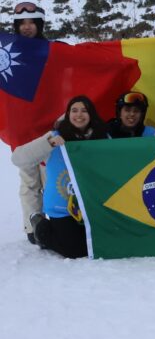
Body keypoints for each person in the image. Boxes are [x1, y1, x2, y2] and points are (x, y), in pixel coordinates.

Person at [15, 96, 107, 257]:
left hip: (92, 206)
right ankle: (41, 228)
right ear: (68, 114)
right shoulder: (55, 137)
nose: (79, 115)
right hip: (62, 209)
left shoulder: (102, 137)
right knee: (75, 251)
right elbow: (18, 158)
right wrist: (48, 143)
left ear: (91, 114)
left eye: (84, 111)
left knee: (99, 244)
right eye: (75, 110)